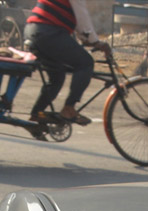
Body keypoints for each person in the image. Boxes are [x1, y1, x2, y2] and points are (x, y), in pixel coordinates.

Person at [24, 0, 98, 130]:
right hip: (49, 32)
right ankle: (69, 108)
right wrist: (95, 41)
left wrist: (86, 38)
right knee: (86, 63)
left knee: (57, 77)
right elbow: (82, 19)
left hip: (34, 30)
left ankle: (38, 112)